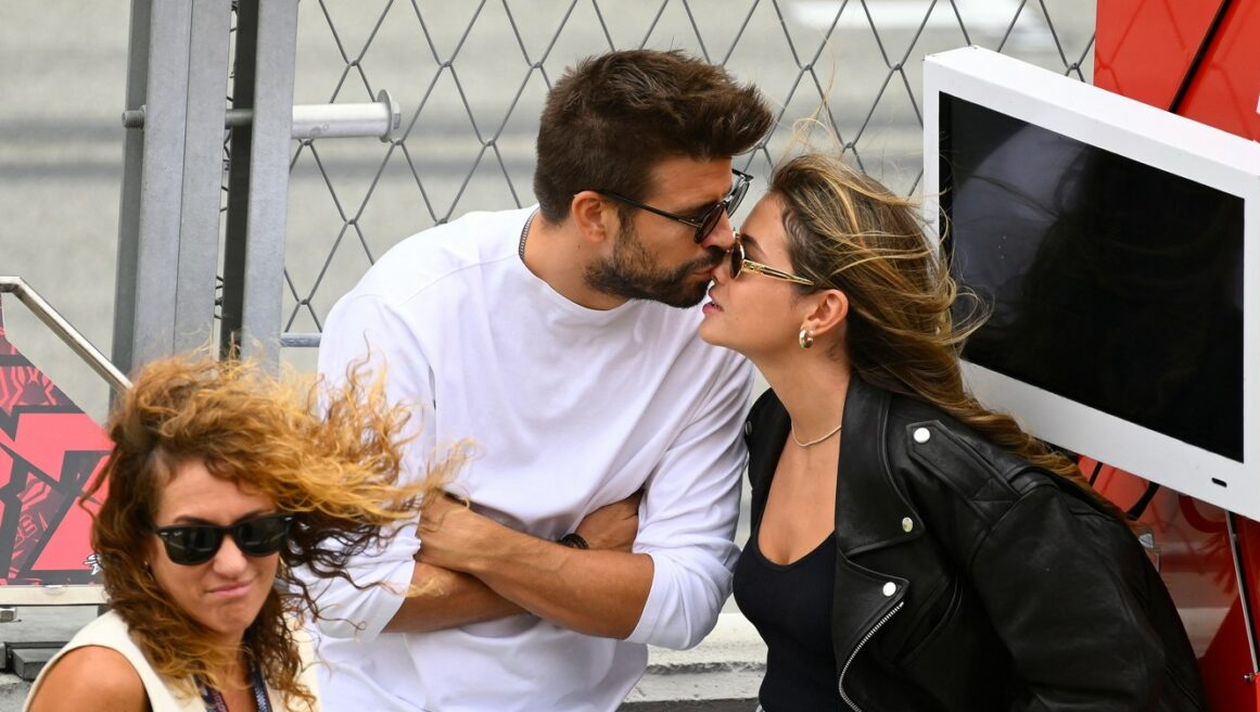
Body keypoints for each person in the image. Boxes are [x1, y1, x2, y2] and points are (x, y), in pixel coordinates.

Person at [312, 49, 774, 710]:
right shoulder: (405, 313)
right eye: (697, 217)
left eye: (728, 200)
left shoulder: (704, 330)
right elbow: (343, 596)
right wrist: (582, 554)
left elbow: (688, 602)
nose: (725, 237)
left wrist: (481, 546)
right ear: (594, 215)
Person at [698, 153, 1208, 710]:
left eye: (744, 258)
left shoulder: (960, 481)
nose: (716, 267)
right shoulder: (775, 424)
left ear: (821, 312)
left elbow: (1109, 689)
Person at [25, 355, 458, 712]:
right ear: (140, 541)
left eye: (257, 532)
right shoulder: (103, 680)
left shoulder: (286, 650)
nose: (232, 564)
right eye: (194, 540)